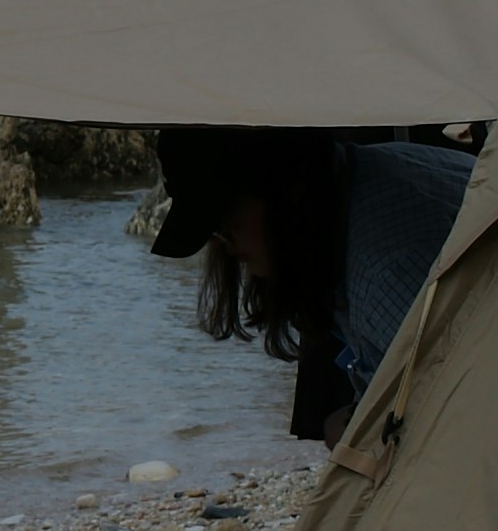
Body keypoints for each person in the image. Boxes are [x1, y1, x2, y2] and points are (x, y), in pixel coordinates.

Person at [145, 127, 479, 438]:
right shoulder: (369, 170)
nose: (222, 243)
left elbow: (455, 426)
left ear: (287, 194)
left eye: (225, 220)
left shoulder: (387, 269)